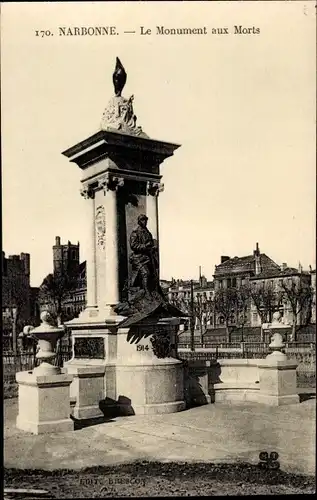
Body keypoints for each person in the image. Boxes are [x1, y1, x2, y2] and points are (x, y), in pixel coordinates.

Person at [129, 214, 159, 299]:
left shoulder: (147, 232)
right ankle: (147, 293)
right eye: (142, 220)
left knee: (153, 276)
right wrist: (145, 246)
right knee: (146, 273)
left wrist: (152, 248)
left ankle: (150, 293)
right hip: (139, 258)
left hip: (148, 257)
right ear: (139, 221)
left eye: (145, 220)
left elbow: (150, 244)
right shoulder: (135, 232)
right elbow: (133, 245)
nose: (144, 222)